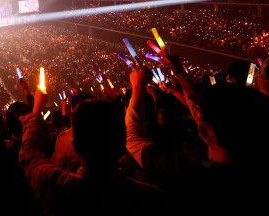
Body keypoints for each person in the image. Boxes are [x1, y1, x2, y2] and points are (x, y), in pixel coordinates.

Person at [126, 62, 269, 215]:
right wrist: (179, 74)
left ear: (205, 131)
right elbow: (196, 109)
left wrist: (138, 87)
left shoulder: (192, 177)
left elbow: (133, 138)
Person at [20, 88, 167, 216]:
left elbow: (31, 156)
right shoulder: (152, 199)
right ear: (122, 141)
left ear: (76, 145)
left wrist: (36, 110)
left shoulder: (61, 189)